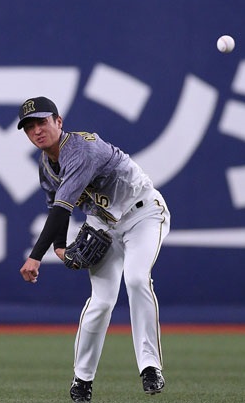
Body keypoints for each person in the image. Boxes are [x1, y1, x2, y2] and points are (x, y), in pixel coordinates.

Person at [17, 96, 171, 402]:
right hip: (103, 223)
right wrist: (59, 247)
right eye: (30, 127)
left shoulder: (81, 150)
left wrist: (35, 257)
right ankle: (82, 380)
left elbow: (62, 209)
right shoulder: (46, 165)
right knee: (101, 301)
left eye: (42, 122)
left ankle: (150, 367)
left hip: (143, 213)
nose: (37, 131)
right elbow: (55, 207)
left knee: (136, 279)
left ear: (59, 122)